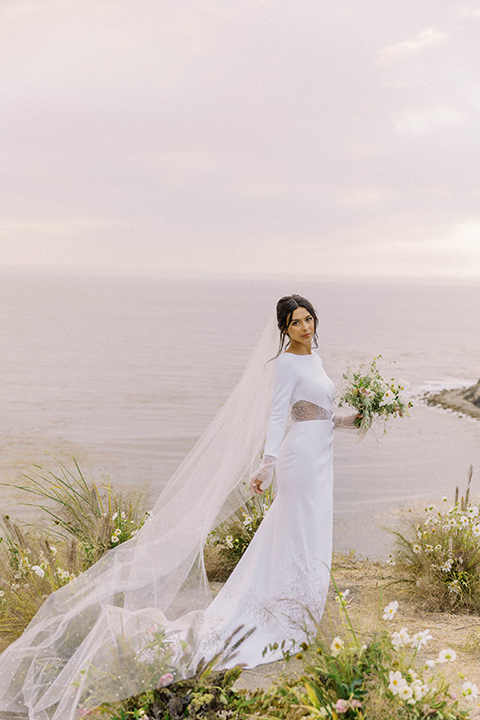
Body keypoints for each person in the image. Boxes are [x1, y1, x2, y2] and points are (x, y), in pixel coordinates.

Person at [0, 294, 358, 720]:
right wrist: (269, 461)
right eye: (297, 322)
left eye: (310, 318)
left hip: (323, 454)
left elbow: (312, 411)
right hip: (299, 459)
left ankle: (299, 607)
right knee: (298, 528)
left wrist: (347, 419)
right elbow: (280, 415)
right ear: (283, 328)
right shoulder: (284, 365)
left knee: (311, 530)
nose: (306, 326)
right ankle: (285, 613)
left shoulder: (316, 359)